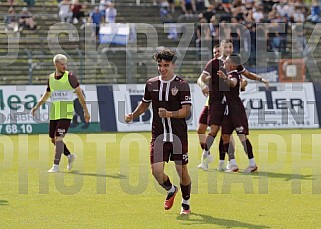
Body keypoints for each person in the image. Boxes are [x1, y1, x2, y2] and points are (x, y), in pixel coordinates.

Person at [124, 49, 192, 215]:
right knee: (156, 171)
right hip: (159, 134)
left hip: (178, 135)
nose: (162, 68)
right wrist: (133, 115)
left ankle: (186, 203)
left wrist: (170, 114)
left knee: (182, 171)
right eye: (160, 65)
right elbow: (145, 103)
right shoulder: (151, 84)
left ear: (173, 65)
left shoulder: (182, 85)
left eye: (166, 65)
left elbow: (186, 111)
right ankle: (171, 189)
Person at [197, 39, 269, 171]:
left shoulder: (234, 64)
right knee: (214, 131)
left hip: (231, 105)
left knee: (228, 135)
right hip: (216, 102)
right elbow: (201, 78)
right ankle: (206, 158)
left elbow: (243, 77)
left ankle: (230, 162)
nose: (228, 49)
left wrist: (259, 79)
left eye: (230, 47)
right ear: (221, 48)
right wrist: (203, 85)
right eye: (226, 47)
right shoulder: (214, 63)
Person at [31, 54, 90, 173]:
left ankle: (55, 166)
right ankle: (69, 156)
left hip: (66, 113)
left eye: (66, 64)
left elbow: (79, 94)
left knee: (58, 138)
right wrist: (36, 107)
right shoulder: (51, 78)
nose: (64, 66)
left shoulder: (71, 77)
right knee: (53, 139)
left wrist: (85, 110)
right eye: (62, 64)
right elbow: (47, 94)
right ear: (56, 64)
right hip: (54, 113)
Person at [217, 54, 258, 173]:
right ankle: (233, 164)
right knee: (225, 136)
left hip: (236, 110)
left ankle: (252, 164)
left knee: (242, 137)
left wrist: (225, 78)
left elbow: (233, 83)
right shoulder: (230, 74)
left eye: (227, 61)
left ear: (232, 65)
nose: (224, 62)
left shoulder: (233, 74)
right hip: (227, 111)